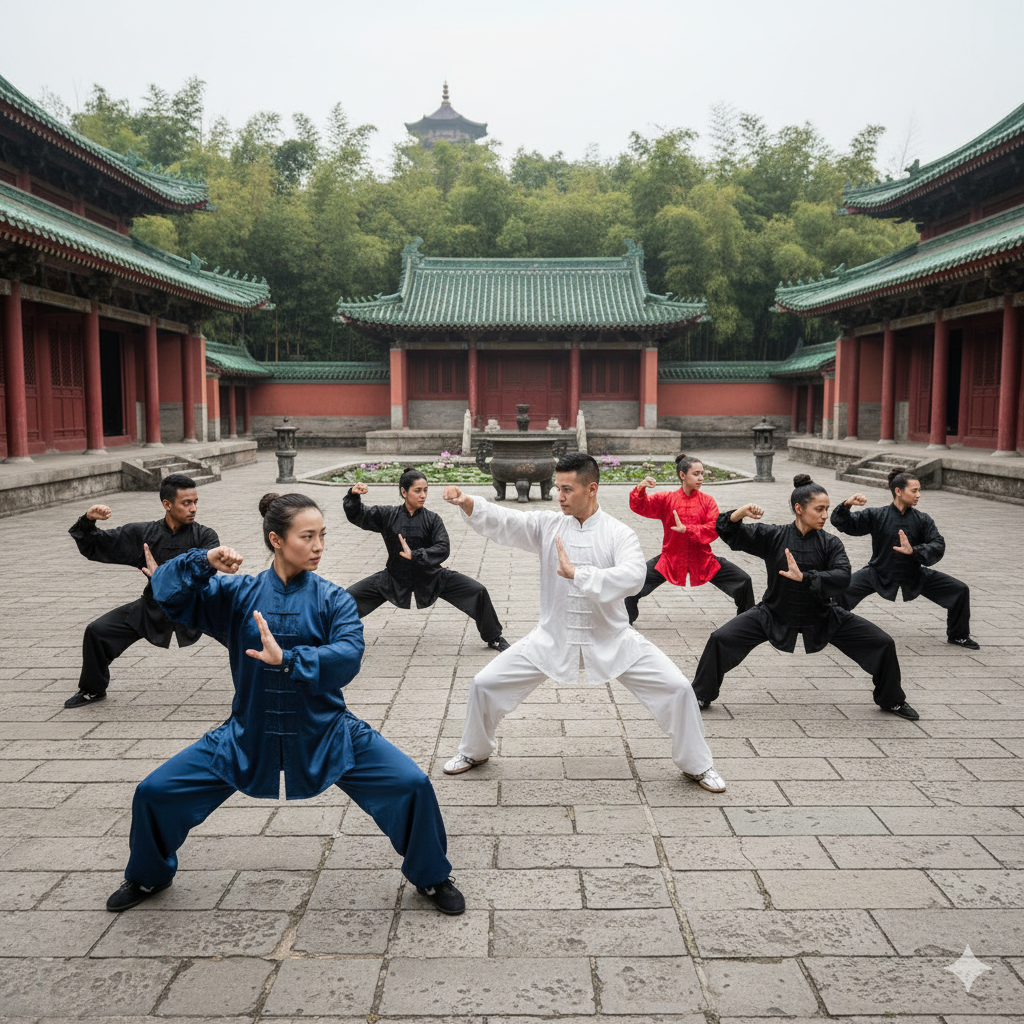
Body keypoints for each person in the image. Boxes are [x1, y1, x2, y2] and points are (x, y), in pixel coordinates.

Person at [105, 492, 463, 916]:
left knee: (412, 785)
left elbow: (348, 655)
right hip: (247, 733)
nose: (318, 546)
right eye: (307, 537)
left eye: (322, 535)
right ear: (276, 539)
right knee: (155, 792)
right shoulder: (237, 594)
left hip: (326, 730)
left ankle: (432, 875)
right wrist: (203, 561)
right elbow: (166, 591)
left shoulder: (334, 599)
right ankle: (148, 874)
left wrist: (289, 659)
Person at [440, 453, 726, 792]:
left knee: (678, 689)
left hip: (613, 639)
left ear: (591, 489)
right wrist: (469, 502)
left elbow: (634, 576)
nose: (559, 496)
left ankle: (697, 765)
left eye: (567, 489)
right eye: (558, 488)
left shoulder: (618, 533)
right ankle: (474, 751)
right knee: (484, 683)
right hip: (552, 638)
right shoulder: (549, 526)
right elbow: (509, 521)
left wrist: (579, 574)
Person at [691, 474, 918, 720]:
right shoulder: (774, 536)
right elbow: (729, 531)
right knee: (720, 639)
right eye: (819, 509)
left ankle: (892, 700)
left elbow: (842, 576)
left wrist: (805, 577)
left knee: (883, 643)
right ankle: (701, 695)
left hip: (822, 615)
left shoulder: (831, 543)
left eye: (827, 509)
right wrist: (740, 513)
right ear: (799, 509)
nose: (824, 515)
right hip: (773, 613)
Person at [64, 474, 219, 709]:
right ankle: (92, 689)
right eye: (186, 503)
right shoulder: (145, 534)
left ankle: (267, 680)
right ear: (167, 504)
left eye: (195, 502)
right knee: (97, 631)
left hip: (196, 606)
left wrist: (163, 575)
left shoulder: (205, 536)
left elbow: (205, 569)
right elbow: (98, 542)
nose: (193, 508)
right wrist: (88, 520)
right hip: (154, 606)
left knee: (246, 631)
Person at [343, 468, 509, 651]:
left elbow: (443, 547)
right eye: (417, 490)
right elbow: (359, 515)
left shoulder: (432, 519)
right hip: (395, 577)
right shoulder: (388, 515)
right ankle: (332, 634)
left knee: (478, 591)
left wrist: (416, 555)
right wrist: (353, 495)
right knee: (347, 599)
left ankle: (494, 637)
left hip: (431, 576)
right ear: (404, 492)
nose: (423, 495)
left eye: (425, 490)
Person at [830, 469, 979, 651]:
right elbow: (845, 523)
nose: (918, 495)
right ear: (898, 491)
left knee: (960, 590)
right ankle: (829, 628)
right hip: (879, 571)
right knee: (840, 592)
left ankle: (959, 635)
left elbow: (938, 544)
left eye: (919, 491)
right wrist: (846, 505)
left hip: (914, 573)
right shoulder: (877, 515)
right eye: (914, 491)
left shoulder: (922, 519)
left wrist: (914, 550)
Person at [625, 454, 755, 624]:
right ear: (682, 475)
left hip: (703, 559)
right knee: (632, 583)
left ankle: (747, 623)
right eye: (696, 474)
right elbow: (641, 505)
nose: (701, 478)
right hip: (671, 559)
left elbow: (713, 529)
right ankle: (625, 620)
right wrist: (640, 488)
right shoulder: (667, 499)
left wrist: (687, 529)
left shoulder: (707, 501)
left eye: (702, 474)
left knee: (744, 581)